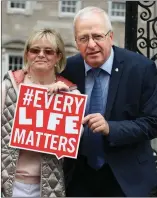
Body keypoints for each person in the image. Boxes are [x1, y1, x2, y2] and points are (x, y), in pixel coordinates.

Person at [61, 6, 157, 197]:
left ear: (110, 37)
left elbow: (153, 123)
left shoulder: (141, 68)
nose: (91, 44)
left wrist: (110, 128)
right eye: (83, 38)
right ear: (76, 42)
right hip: (79, 176)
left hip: (127, 178)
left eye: (97, 36)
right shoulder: (68, 68)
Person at [1, 28, 80, 197]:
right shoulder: (8, 88)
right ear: (27, 54)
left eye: (48, 51)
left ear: (58, 56)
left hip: (48, 186)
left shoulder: (71, 93)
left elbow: (74, 141)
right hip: (8, 183)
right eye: (35, 50)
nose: (41, 55)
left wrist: (62, 101)